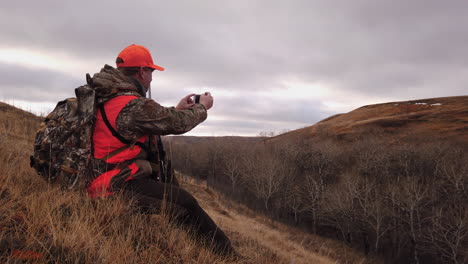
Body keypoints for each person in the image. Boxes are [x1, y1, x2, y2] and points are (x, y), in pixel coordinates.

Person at [87, 44, 235, 256]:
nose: (152, 78)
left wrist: (177, 110)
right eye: (151, 71)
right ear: (141, 71)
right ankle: (228, 257)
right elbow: (175, 124)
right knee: (185, 203)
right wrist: (202, 107)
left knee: (175, 197)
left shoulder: (110, 96)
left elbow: (143, 122)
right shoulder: (132, 104)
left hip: (102, 176)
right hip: (113, 185)